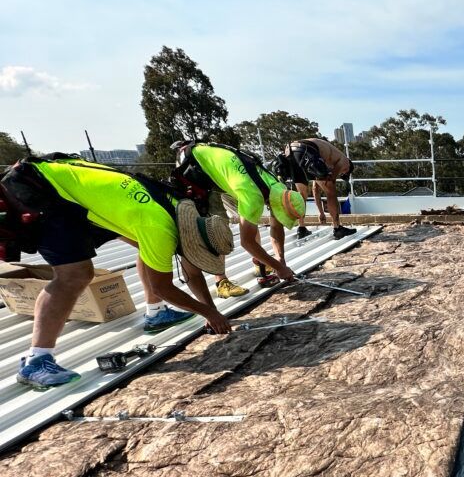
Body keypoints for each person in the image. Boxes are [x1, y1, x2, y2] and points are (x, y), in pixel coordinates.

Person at [0, 156, 233, 390]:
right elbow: (162, 286)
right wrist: (208, 313)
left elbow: (191, 271)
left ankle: (156, 313)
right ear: (191, 241)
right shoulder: (159, 229)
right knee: (75, 275)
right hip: (45, 194)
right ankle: (37, 360)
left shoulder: (180, 208)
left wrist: (210, 311)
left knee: (145, 246)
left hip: (89, 197)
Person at [173, 141, 305, 287]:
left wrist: (280, 259)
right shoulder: (253, 197)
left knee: (250, 221)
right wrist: (280, 269)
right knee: (217, 227)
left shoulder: (278, 187)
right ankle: (221, 282)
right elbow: (246, 242)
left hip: (228, 174)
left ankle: (260, 261)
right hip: (195, 166)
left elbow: (276, 226)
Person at [276, 138, 356, 240]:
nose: (341, 173)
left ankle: (302, 228)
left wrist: (321, 213)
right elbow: (330, 183)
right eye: (343, 173)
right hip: (306, 150)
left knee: (301, 195)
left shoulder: (324, 160)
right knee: (331, 192)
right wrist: (332, 178)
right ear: (348, 169)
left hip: (291, 152)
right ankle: (338, 228)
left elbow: (315, 189)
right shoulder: (345, 162)